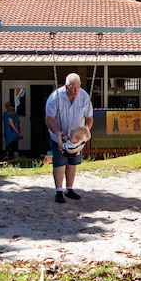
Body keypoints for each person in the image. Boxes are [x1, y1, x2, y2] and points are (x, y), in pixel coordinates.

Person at [45, 73, 93, 203]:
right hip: (59, 136)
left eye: (78, 87)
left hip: (77, 138)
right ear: (66, 86)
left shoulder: (84, 97)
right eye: (73, 88)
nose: (76, 91)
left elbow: (89, 119)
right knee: (59, 162)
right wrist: (57, 133)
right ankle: (59, 191)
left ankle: (70, 189)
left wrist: (85, 132)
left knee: (73, 162)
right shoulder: (55, 98)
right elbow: (49, 119)